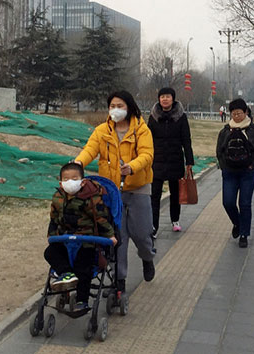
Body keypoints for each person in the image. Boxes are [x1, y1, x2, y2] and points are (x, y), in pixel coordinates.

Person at [74, 90, 156, 293]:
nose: (115, 110)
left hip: (138, 187)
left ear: (129, 107)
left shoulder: (141, 130)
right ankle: (119, 281)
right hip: (112, 190)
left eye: (120, 106)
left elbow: (148, 154)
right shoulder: (102, 130)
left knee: (142, 234)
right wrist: (77, 164)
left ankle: (147, 257)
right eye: (112, 106)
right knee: (117, 237)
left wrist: (132, 166)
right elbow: (90, 149)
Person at [44, 162, 117, 311]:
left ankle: (81, 300)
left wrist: (110, 236)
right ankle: (66, 273)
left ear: (82, 181)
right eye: (66, 179)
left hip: (86, 240)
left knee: (84, 267)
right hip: (65, 239)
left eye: (74, 178)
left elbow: (100, 219)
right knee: (50, 252)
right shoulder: (58, 197)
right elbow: (54, 219)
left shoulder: (91, 197)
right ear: (60, 182)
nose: (70, 182)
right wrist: (52, 237)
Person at [216, 98, 254, 248]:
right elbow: (219, 151)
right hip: (229, 173)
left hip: (247, 173)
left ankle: (244, 234)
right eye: (234, 113)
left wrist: (252, 165)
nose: (236, 116)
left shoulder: (253, 130)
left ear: (245, 112)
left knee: (245, 204)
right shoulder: (225, 130)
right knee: (228, 202)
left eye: (239, 113)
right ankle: (237, 223)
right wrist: (224, 166)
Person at [148, 88, 194, 238]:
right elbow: (147, 139)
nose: (165, 99)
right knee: (154, 195)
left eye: (167, 97)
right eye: (162, 97)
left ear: (173, 99)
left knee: (175, 193)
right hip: (157, 161)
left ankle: (175, 220)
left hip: (175, 160)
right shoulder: (153, 117)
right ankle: (153, 225)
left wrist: (189, 160)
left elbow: (186, 139)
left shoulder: (181, 117)